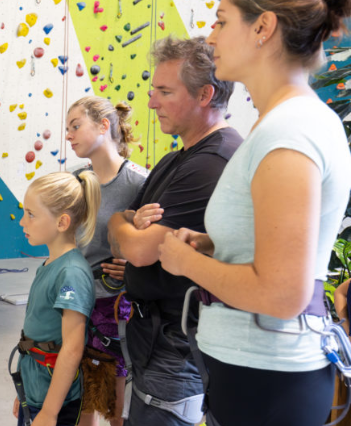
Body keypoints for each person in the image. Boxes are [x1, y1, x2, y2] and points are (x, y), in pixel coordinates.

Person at [157, 1, 351, 424]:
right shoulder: (285, 121)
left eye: (222, 22)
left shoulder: (290, 129)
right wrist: (214, 244)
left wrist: (186, 262)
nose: (211, 37)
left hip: (268, 378)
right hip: (257, 374)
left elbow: (282, 294)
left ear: (263, 27)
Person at [106, 35, 241, 426]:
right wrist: (124, 225)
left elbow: (138, 250)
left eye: (165, 92)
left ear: (205, 94)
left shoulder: (211, 163)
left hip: (176, 346)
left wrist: (125, 228)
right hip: (154, 338)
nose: (152, 103)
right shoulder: (176, 158)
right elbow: (119, 226)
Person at [66, 97, 148, 426]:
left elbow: (155, 245)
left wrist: (135, 268)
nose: (69, 135)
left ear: (103, 126)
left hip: (114, 307)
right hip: (74, 300)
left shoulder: (139, 183)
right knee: (81, 397)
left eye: (75, 126)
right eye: (67, 128)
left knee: (115, 408)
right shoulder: (74, 181)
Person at [10, 171, 101, 426]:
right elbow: (35, 336)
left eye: (31, 214)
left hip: (55, 404)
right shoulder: (52, 264)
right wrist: (23, 392)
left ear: (62, 222)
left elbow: (72, 349)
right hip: (35, 392)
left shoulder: (70, 273)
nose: (22, 222)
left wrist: (50, 412)